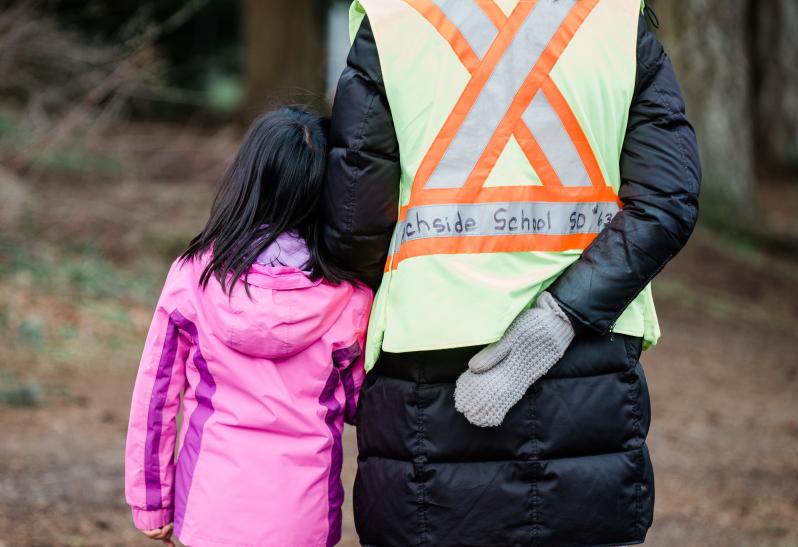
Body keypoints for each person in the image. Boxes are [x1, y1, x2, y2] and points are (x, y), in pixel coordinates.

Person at [323, 0, 700, 545]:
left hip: (427, 364)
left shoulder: (395, 16)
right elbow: (666, 200)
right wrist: (565, 313)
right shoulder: (613, 17)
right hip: (586, 361)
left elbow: (355, 222)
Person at [124, 108, 373, 547]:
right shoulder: (350, 299)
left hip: (209, 508)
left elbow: (156, 397)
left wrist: (151, 502)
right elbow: (361, 406)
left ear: (247, 179)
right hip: (305, 518)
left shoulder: (193, 278)